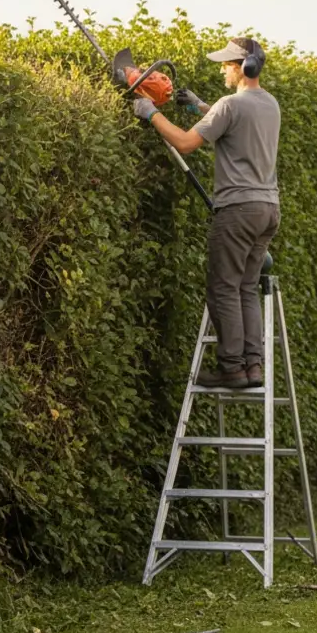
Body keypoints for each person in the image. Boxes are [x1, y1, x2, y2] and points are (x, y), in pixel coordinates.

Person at [133, 37, 280, 389]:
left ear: (243, 67)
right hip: (267, 210)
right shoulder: (270, 104)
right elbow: (234, 123)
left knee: (223, 288)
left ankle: (231, 368)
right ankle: (253, 367)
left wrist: (151, 113)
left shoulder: (230, 106)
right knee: (246, 287)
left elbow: (184, 142)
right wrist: (200, 105)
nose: (222, 69)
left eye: (227, 64)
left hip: (237, 211)